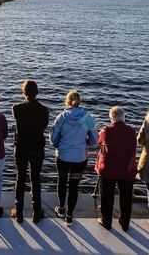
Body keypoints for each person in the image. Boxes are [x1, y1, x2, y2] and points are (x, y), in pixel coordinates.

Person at [50, 89, 97, 226]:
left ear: (68, 101)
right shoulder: (88, 118)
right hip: (79, 157)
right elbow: (94, 139)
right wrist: (85, 143)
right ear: (79, 101)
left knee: (62, 181)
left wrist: (59, 145)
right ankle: (70, 216)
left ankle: (61, 209)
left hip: (63, 156)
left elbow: (53, 138)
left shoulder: (61, 117)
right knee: (74, 186)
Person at [10, 79, 49, 224]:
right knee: (35, 178)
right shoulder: (44, 110)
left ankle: (18, 211)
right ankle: (36, 212)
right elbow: (44, 126)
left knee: (20, 178)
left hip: (21, 147)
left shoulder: (16, 108)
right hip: (37, 147)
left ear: (24, 92)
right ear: (37, 92)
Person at [95, 106, 137, 231]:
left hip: (109, 168)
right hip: (126, 169)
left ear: (111, 118)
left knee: (107, 196)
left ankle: (106, 221)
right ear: (123, 117)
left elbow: (99, 141)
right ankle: (125, 223)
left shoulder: (105, 131)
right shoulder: (131, 131)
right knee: (126, 197)